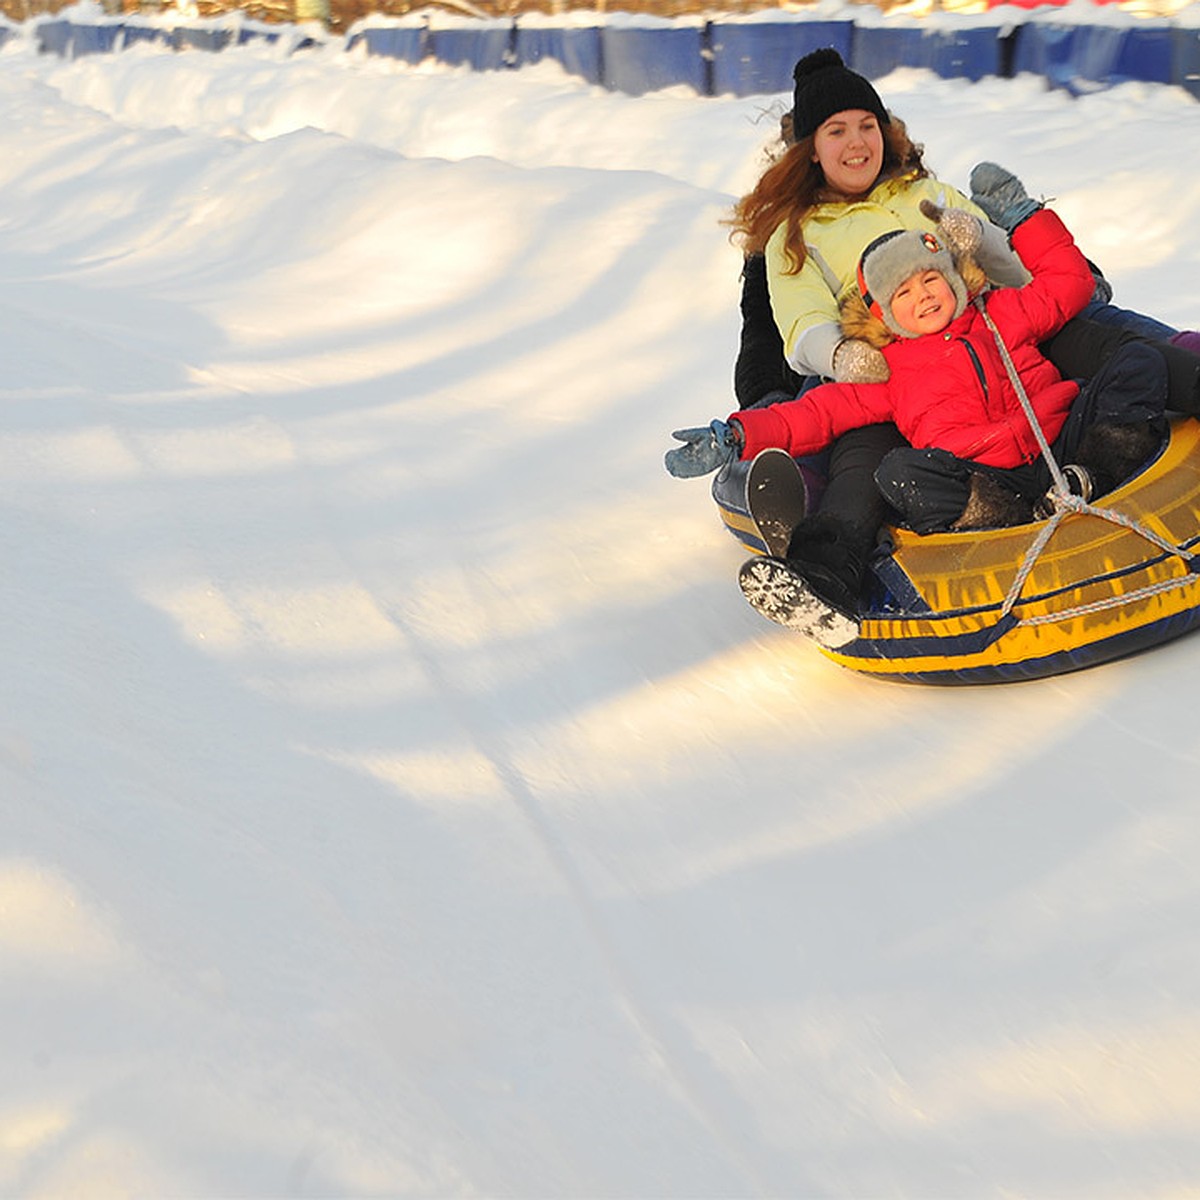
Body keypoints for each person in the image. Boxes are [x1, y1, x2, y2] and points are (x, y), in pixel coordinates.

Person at [715, 47, 1200, 642]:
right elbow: (799, 326)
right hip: (883, 365)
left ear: (885, 131)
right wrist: (842, 358)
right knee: (868, 453)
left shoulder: (922, 190)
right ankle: (828, 576)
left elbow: (997, 257)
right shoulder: (795, 234)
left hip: (982, 331)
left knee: (1091, 334)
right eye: (837, 131)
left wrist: (1043, 271)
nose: (857, 142)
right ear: (811, 148)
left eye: (867, 125)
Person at [670, 204, 1168, 643]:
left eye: (931, 279)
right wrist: (737, 433)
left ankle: (1099, 472)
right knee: (898, 472)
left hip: (1061, 442)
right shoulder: (890, 371)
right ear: (885, 316)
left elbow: (1069, 283)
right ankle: (997, 516)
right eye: (903, 292)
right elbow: (817, 413)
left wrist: (1025, 217)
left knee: (1137, 364)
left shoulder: (1002, 315)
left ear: (953, 280)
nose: (924, 295)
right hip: (989, 478)